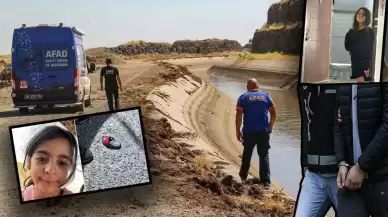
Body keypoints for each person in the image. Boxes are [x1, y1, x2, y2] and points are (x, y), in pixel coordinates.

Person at [334, 82, 388, 216]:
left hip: (382, 178)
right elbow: (338, 124)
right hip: (351, 180)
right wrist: (342, 162)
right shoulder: (343, 81)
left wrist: (362, 166)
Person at [294, 84, 338, 217]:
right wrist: (305, 162)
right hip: (314, 175)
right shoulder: (305, 88)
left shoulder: (344, 87)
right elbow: (306, 125)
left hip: (342, 176)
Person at [235, 78, 276, 188]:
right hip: (263, 131)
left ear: (247, 87)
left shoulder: (243, 97)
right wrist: (270, 126)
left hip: (249, 131)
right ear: (258, 87)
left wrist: (237, 131)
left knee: (247, 154)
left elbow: (239, 115)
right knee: (264, 155)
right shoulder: (266, 96)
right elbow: (273, 113)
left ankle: (243, 176)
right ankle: (266, 182)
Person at [21, 125, 78, 201]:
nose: (51, 170)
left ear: (70, 166)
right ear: (29, 162)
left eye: (62, 163)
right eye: (42, 159)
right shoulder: (23, 195)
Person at [344, 7, 374, 82]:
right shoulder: (351, 32)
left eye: (363, 14)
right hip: (354, 64)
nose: (360, 15)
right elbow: (348, 47)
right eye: (359, 13)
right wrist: (353, 35)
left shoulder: (369, 32)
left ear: (367, 17)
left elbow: (369, 52)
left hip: (365, 67)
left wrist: (365, 75)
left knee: (364, 89)